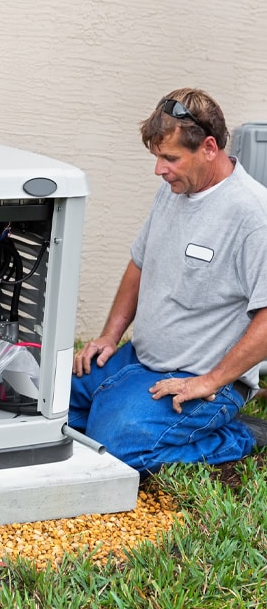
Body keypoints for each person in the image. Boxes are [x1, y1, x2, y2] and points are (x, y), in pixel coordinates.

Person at [71, 87, 267, 474]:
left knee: (114, 453)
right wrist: (111, 336)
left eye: (170, 158)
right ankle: (118, 403)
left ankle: (243, 435)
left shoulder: (252, 215)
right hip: (139, 360)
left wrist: (209, 381)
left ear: (209, 147)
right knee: (48, 403)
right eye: (158, 157)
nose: (159, 169)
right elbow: (139, 265)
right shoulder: (175, 191)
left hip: (202, 380)